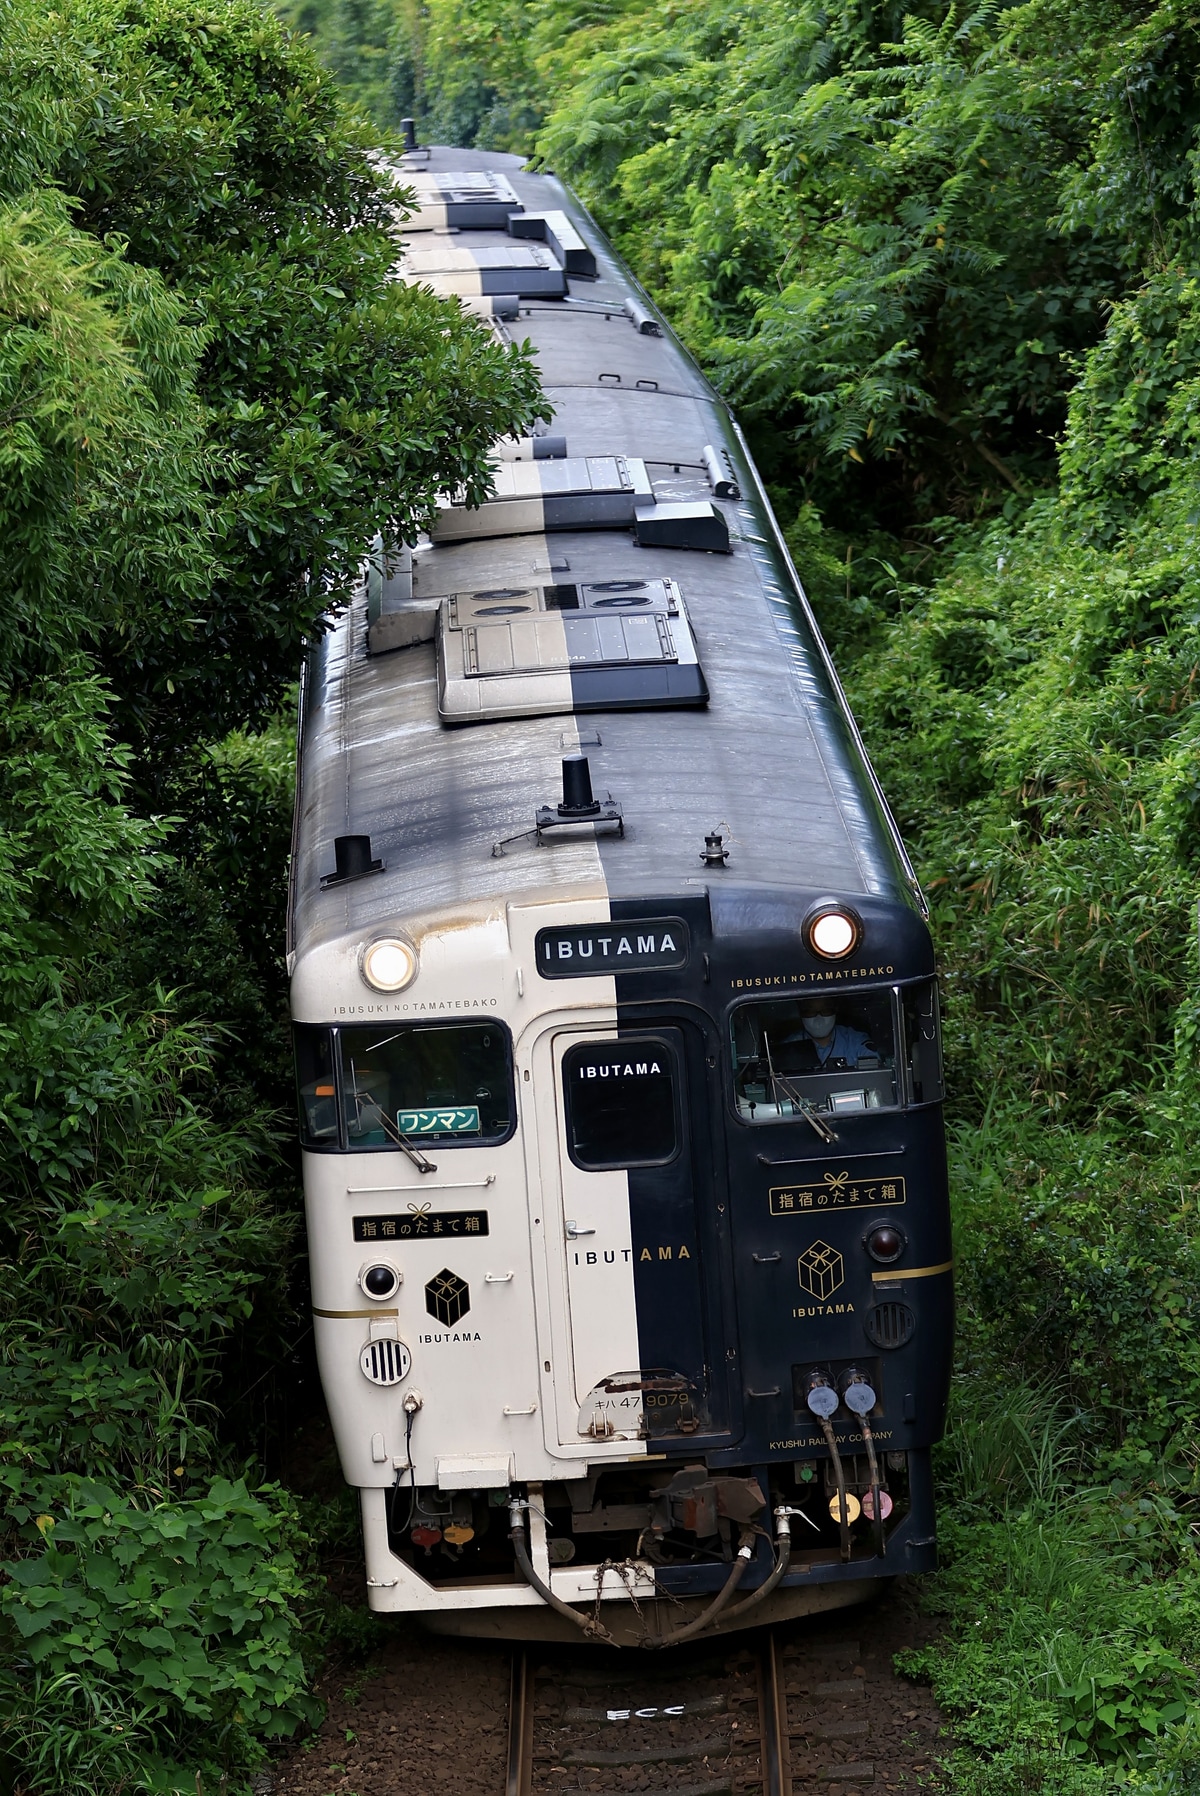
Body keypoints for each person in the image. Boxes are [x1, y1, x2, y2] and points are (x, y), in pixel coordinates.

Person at [782, 997, 874, 1070]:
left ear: (835, 1010)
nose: (818, 1019)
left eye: (825, 1010)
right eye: (810, 1012)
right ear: (801, 1013)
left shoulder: (856, 1043)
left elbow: (875, 1078)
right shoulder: (788, 1048)